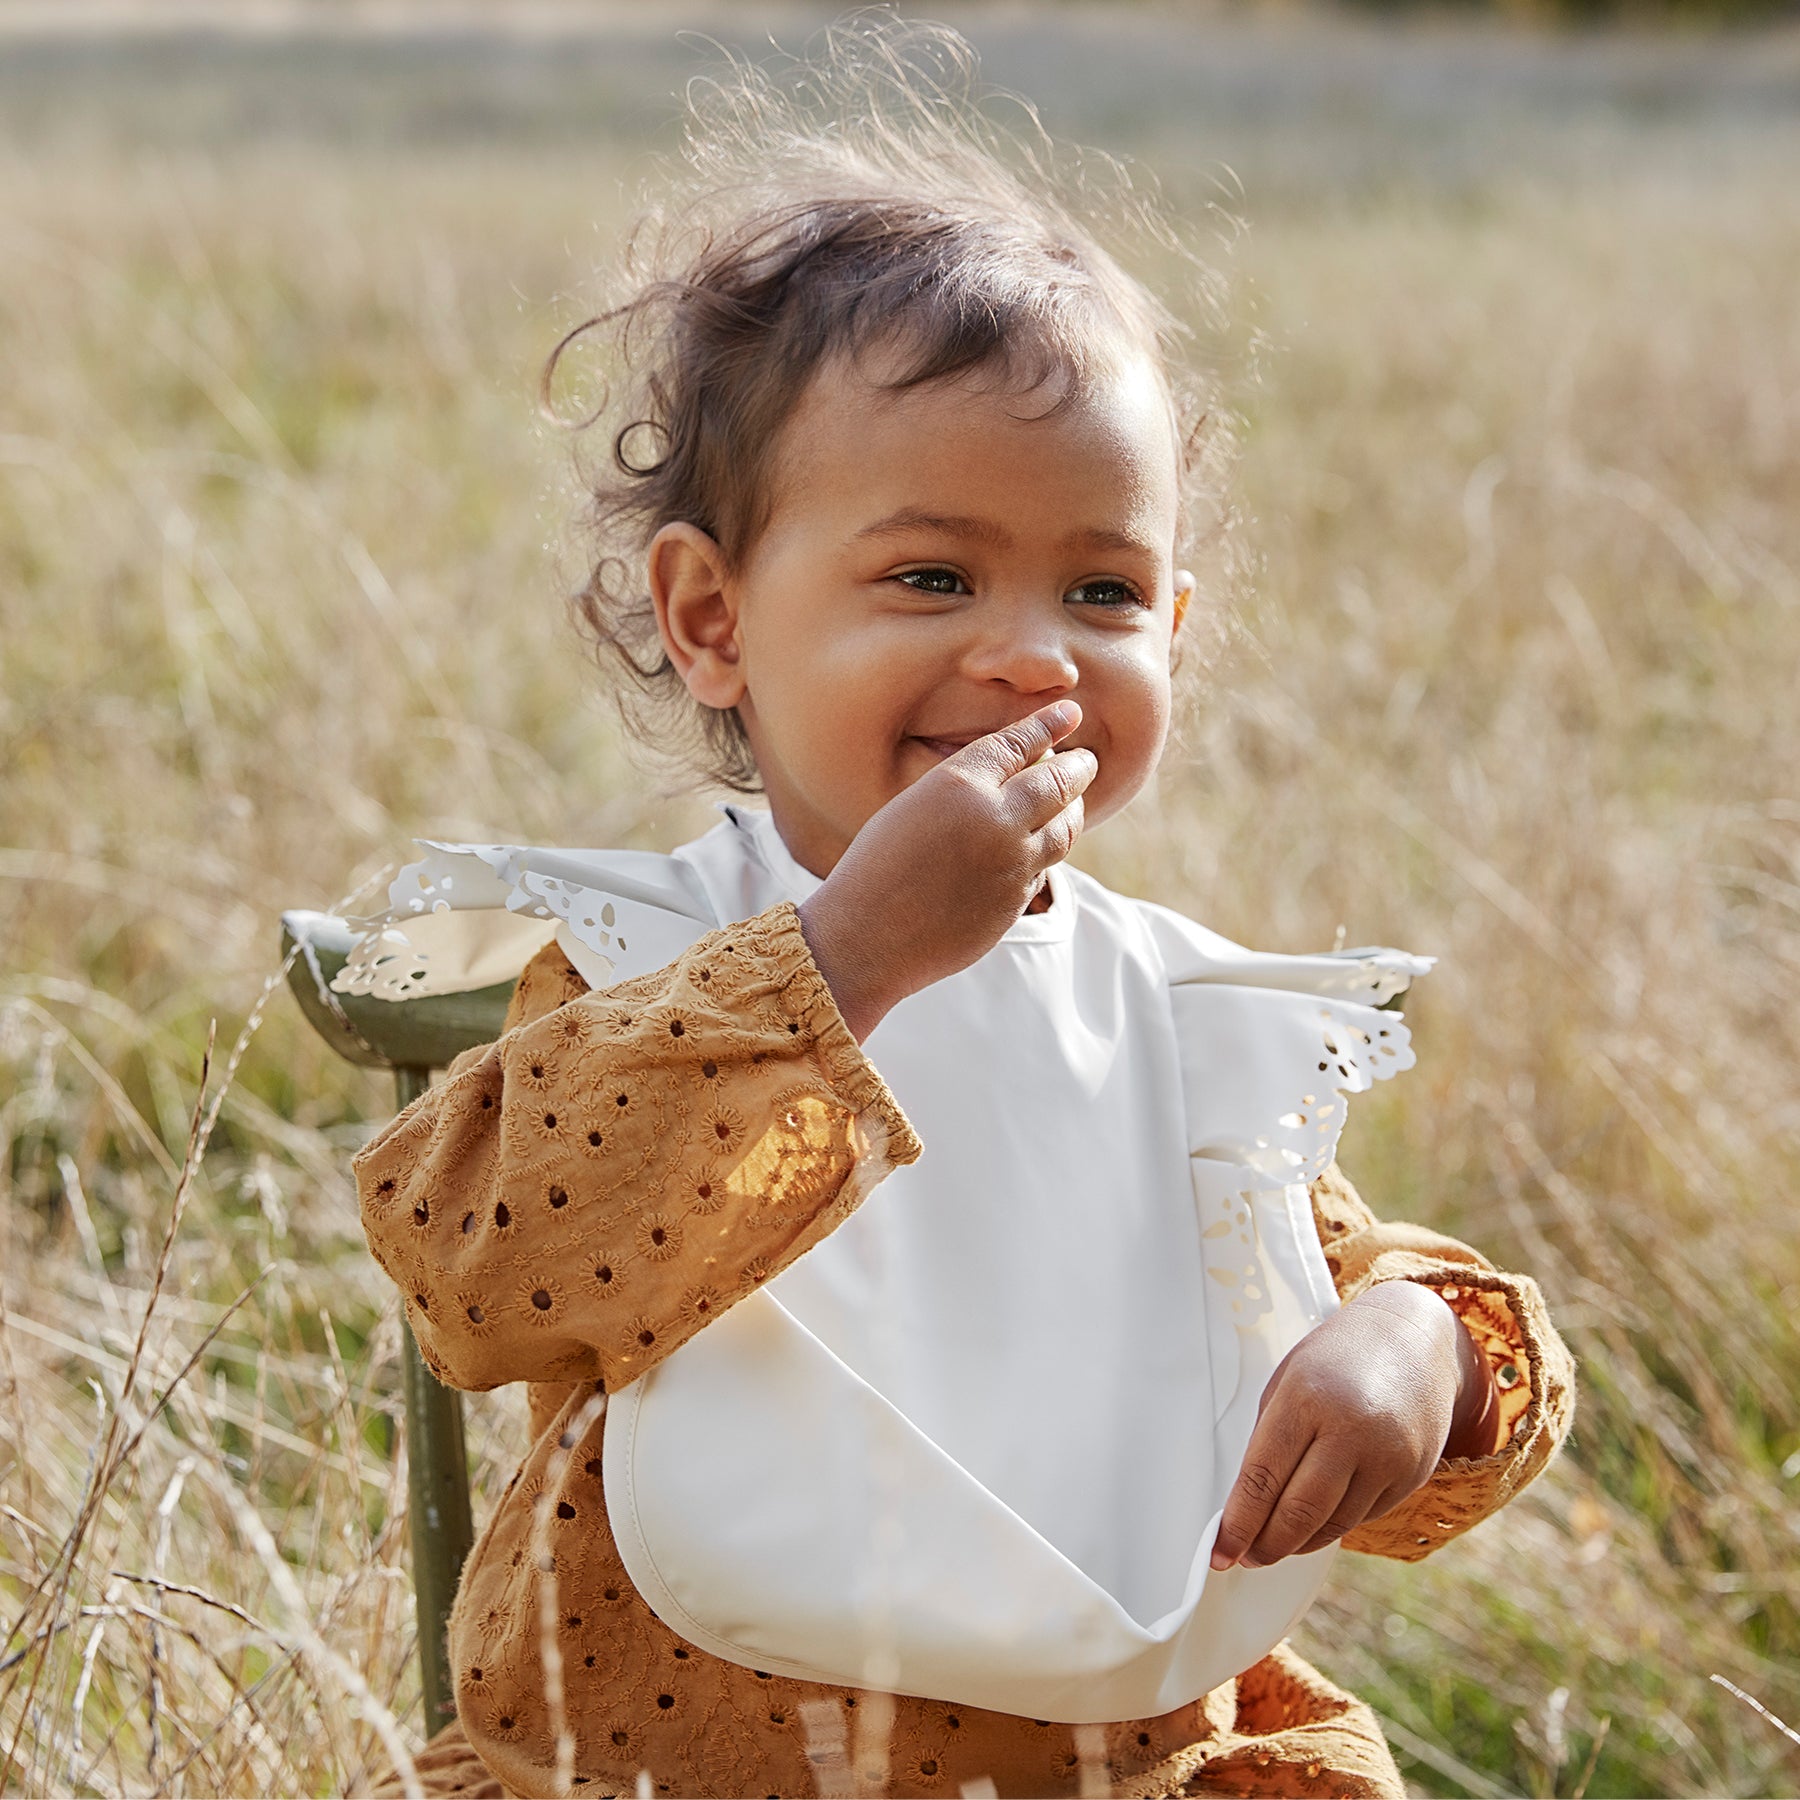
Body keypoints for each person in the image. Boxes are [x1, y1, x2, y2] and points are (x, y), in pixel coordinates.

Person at [350, 21, 1573, 1798]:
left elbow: (1315, 1262)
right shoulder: (652, 962)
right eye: (929, 575)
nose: (1029, 653)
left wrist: (1413, 1349)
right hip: (670, 1762)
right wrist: (848, 967)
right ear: (712, 621)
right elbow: (476, 1261)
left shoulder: (1174, 1004)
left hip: (1127, 1750)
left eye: (1104, 587)